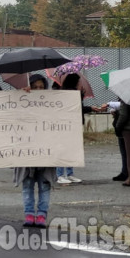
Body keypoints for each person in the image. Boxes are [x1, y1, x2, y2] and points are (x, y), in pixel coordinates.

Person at [14, 73, 56, 228]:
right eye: (35, 87)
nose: (38, 90)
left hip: (46, 153)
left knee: (44, 185)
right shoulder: (21, 102)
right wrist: (21, 97)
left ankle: (42, 216)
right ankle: (29, 214)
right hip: (26, 153)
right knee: (27, 185)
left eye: (41, 87)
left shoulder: (52, 105)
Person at [56, 74, 100, 184]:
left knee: (71, 149)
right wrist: (90, 107)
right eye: (79, 81)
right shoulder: (69, 94)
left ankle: (69, 173)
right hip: (67, 124)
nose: (80, 83)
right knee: (64, 149)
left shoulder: (73, 92)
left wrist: (80, 95)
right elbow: (76, 108)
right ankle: (60, 174)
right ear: (74, 82)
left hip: (74, 124)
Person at [103, 101, 128, 181]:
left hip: (125, 129)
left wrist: (108, 104)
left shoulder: (127, 100)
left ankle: (126, 173)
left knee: (125, 153)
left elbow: (123, 110)